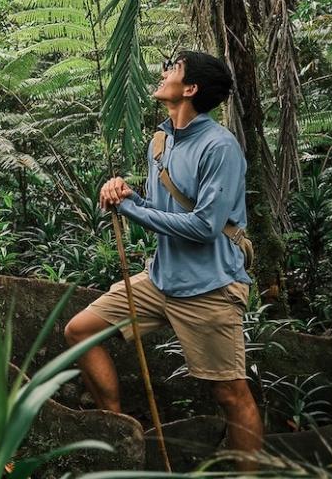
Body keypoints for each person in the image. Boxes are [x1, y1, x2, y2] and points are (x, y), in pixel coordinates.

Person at [64, 50, 263, 469]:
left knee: (231, 393)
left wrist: (132, 208)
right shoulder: (162, 140)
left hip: (209, 287)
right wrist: (123, 193)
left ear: (189, 88)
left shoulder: (220, 147)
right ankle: (122, 435)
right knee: (80, 331)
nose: (163, 73)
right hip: (161, 280)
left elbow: (205, 227)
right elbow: (158, 215)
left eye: (173, 69)